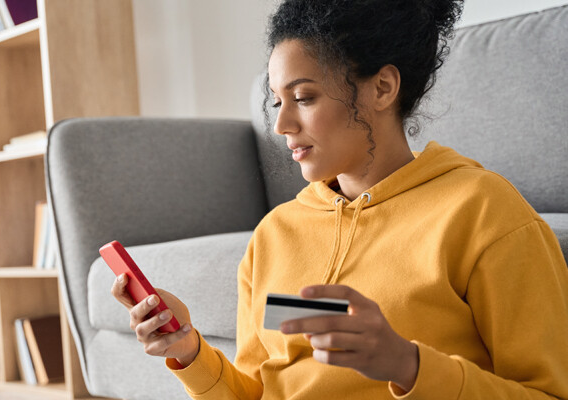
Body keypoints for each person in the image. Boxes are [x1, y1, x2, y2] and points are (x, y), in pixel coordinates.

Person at [111, 0, 568, 398]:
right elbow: (254, 391)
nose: (281, 124)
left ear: (383, 88)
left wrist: (409, 366)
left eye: (304, 97)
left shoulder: (484, 211)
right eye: (276, 102)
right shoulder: (274, 234)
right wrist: (189, 351)